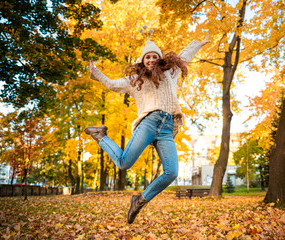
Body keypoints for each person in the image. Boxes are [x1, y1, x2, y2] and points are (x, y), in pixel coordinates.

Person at [85, 33, 210, 224]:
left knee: (172, 172)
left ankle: (140, 200)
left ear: (159, 59)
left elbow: (184, 56)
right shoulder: (135, 80)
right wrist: (96, 72)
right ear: (143, 61)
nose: (151, 59)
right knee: (124, 163)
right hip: (149, 123)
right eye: (147, 57)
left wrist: (198, 44)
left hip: (167, 128)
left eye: (154, 56)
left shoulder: (170, 73)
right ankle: (100, 136)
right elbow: (112, 84)